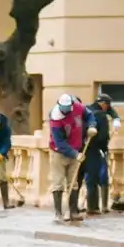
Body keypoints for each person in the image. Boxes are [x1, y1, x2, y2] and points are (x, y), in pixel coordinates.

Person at [48, 93, 97, 221]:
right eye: (63, 109)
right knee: (58, 182)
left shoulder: (78, 107)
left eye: (67, 108)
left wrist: (92, 126)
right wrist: (75, 154)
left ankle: (73, 212)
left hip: (76, 150)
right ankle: (58, 213)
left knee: (73, 182)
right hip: (59, 153)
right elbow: (60, 143)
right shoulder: (55, 119)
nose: (65, 111)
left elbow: (90, 115)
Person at [82, 93, 119, 215]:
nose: (108, 107)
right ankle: (95, 207)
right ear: (103, 104)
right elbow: (103, 136)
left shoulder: (86, 110)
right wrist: (104, 148)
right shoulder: (101, 116)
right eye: (107, 105)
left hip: (83, 148)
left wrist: (116, 118)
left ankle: (89, 206)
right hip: (96, 149)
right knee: (97, 177)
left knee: (86, 177)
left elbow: (111, 111)